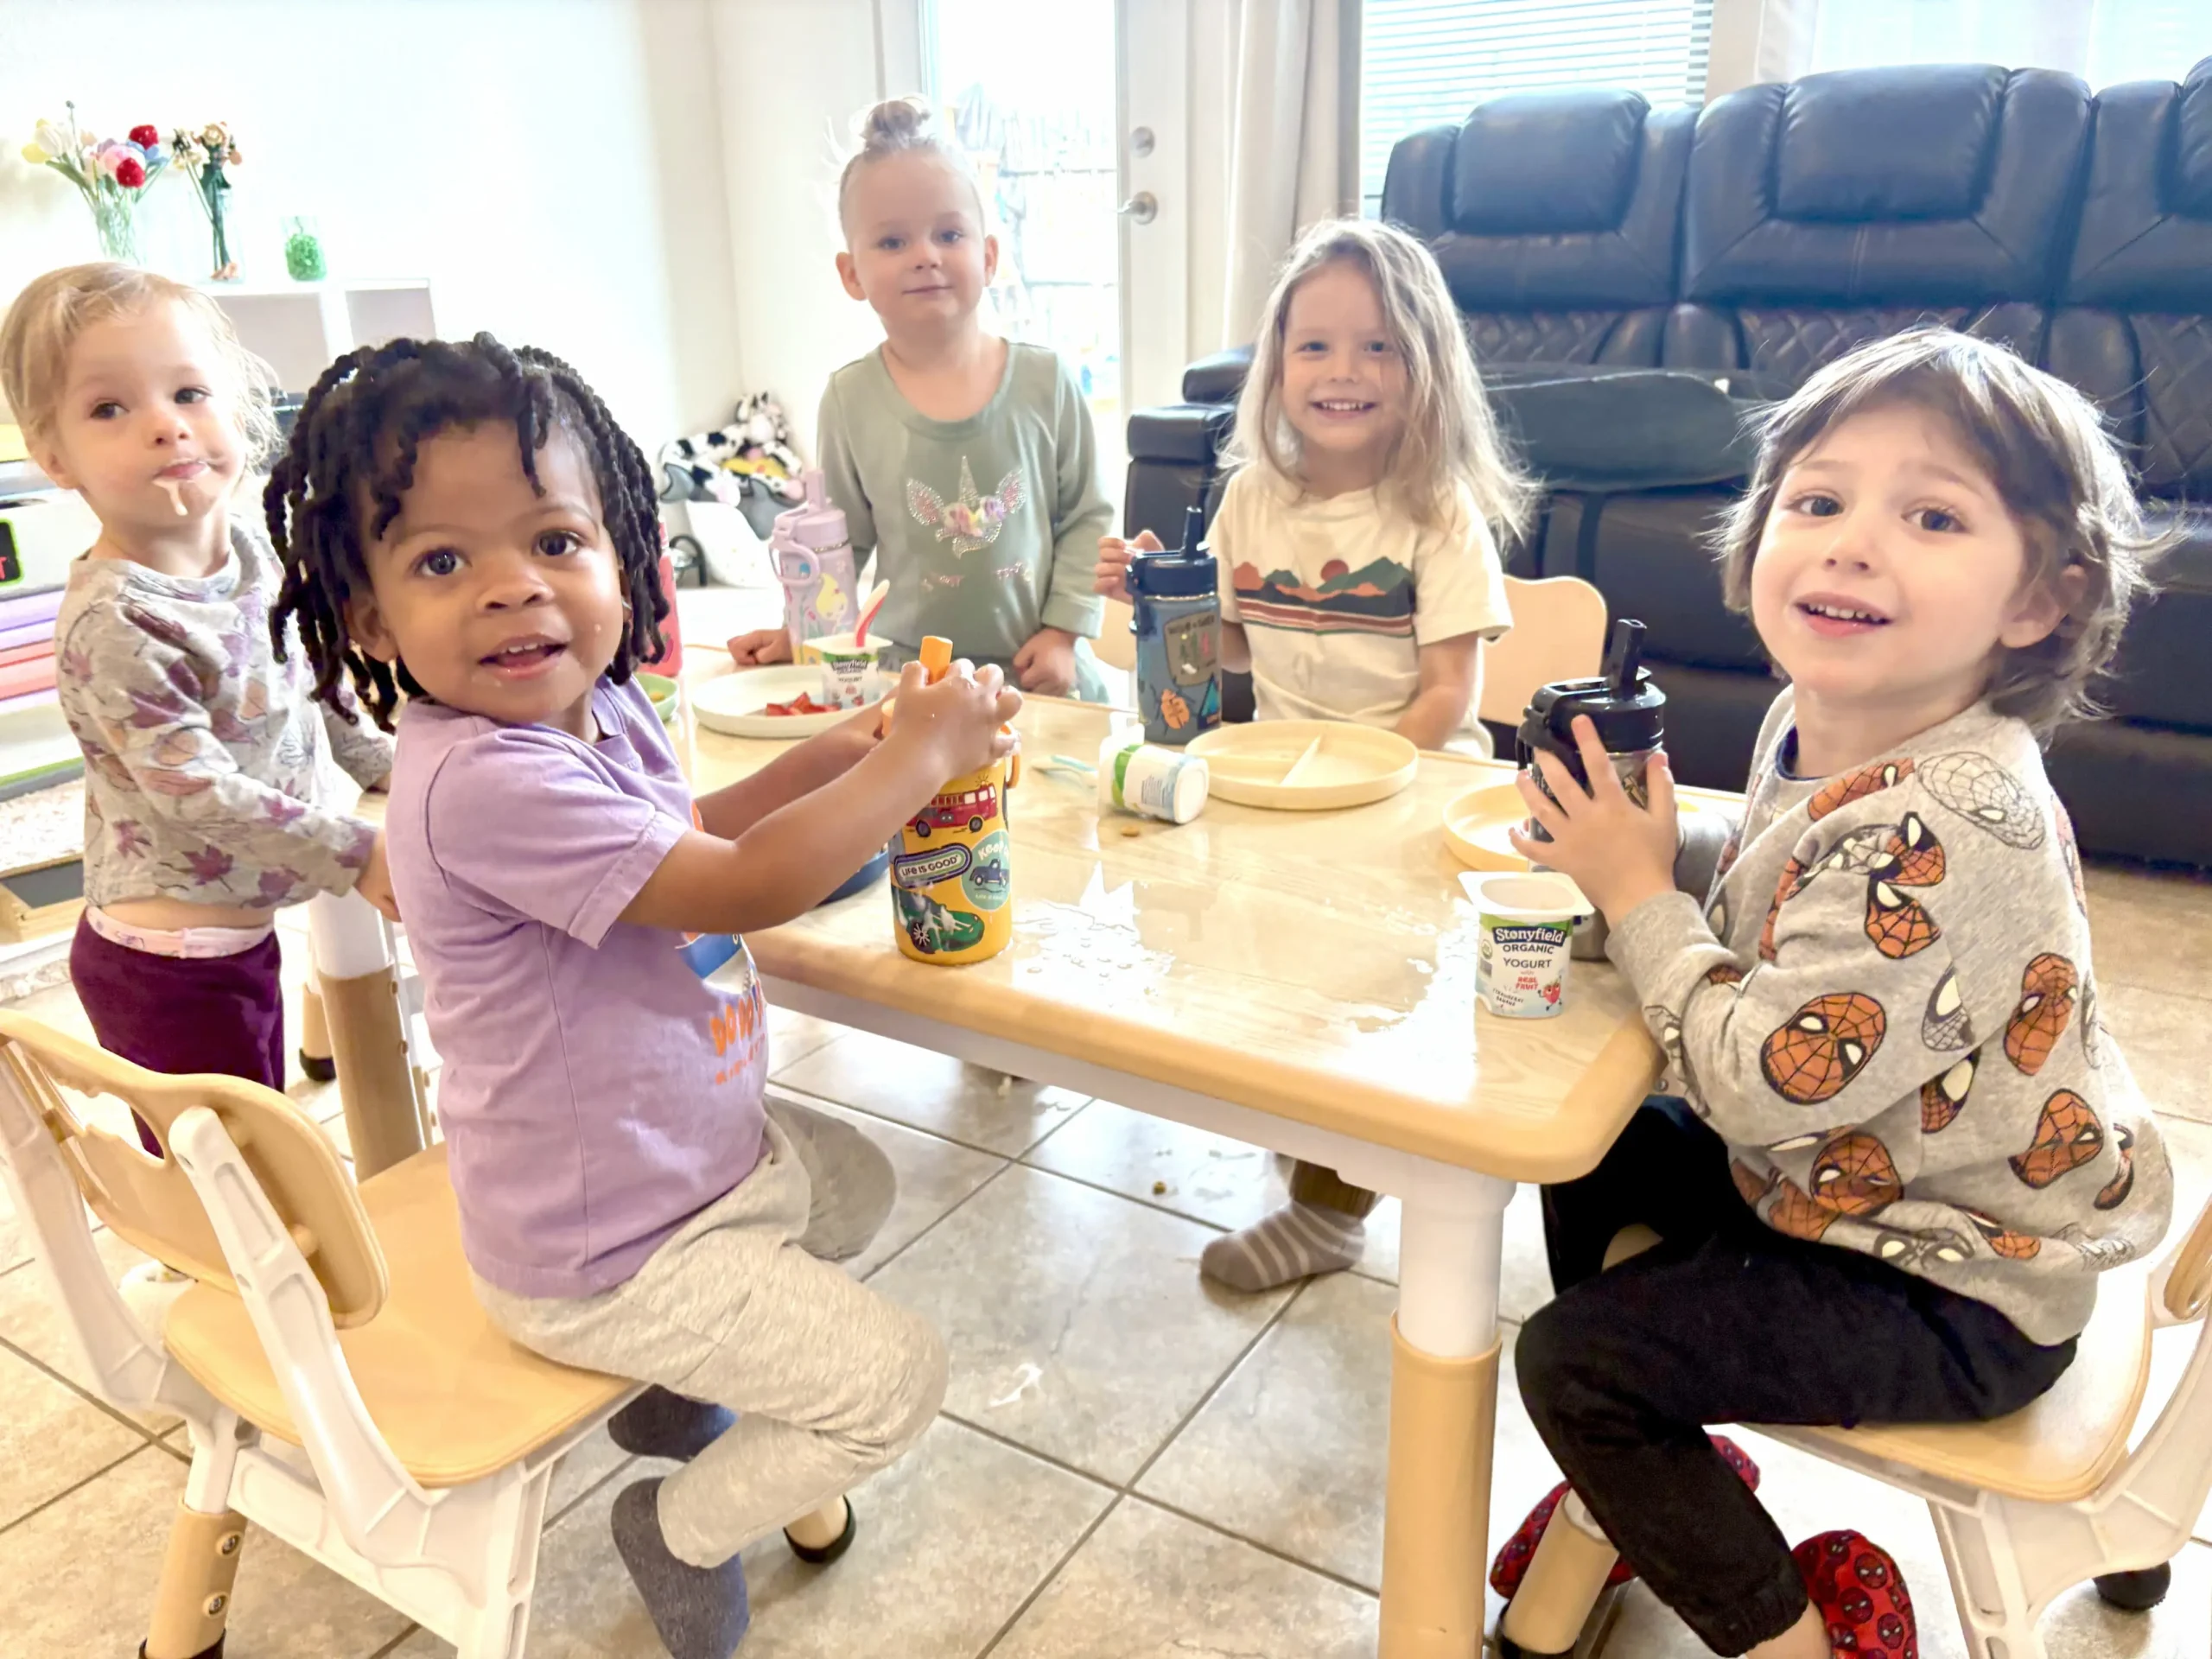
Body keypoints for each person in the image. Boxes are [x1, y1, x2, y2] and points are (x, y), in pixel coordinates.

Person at [264, 332, 1016, 1659]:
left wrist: (846, 748)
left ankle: (676, 1390)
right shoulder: (487, 780)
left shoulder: (594, 715)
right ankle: (677, 1524)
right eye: (445, 562)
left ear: (620, 553)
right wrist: (921, 761)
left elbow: (694, 836)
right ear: (373, 621)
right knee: (896, 1382)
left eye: (554, 541)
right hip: (606, 1251)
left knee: (861, 1189)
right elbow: (741, 887)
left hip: (687, 1174)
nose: (513, 591)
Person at [1493, 327, 2174, 1659]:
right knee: (1582, 1143)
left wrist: (1639, 899)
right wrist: (1638, 853)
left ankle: (1784, 1634)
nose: (1852, 541)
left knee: (1577, 1365)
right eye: (1816, 500)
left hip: (1962, 1285)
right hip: (1857, 1190)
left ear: (2038, 600)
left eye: (1930, 514)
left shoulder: (1961, 818)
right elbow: (1773, 888)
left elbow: (1755, 1083)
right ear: (1756, 545)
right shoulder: (1823, 716)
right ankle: (1666, 1471)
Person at [1097, 216, 1532, 1292]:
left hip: (1409, 798)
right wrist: (1171, 594)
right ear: (1276, 367)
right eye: (1316, 346)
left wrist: (1359, 775)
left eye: (1379, 346)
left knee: (1367, 1002)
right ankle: (1314, 1158)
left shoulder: (1439, 515)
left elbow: (1448, 699)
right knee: (1253, 968)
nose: (1345, 371)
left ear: (1425, 369)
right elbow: (1239, 649)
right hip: (1280, 793)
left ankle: (1332, 1213)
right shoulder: (1251, 499)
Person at [0, 264, 393, 1152]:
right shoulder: (118, 622)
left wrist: (377, 762)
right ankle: (210, 1272)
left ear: (237, 412)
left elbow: (306, 670)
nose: (165, 424)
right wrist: (352, 849)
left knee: (262, 1146)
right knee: (237, 1179)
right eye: (110, 409)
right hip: (167, 964)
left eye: (188, 392)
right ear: (53, 455)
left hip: (241, 923)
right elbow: (195, 791)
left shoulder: (252, 556)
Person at [728, 96, 1111, 700]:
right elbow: (841, 546)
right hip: (907, 680)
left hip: (1035, 672)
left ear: (987, 257)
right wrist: (796, 633)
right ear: (851, 273)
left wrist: (1065, 632)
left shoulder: (1048, 382)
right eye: (892, 242)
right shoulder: (849, 399)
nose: (926, 255)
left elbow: (1088, 516)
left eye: (949, 233)